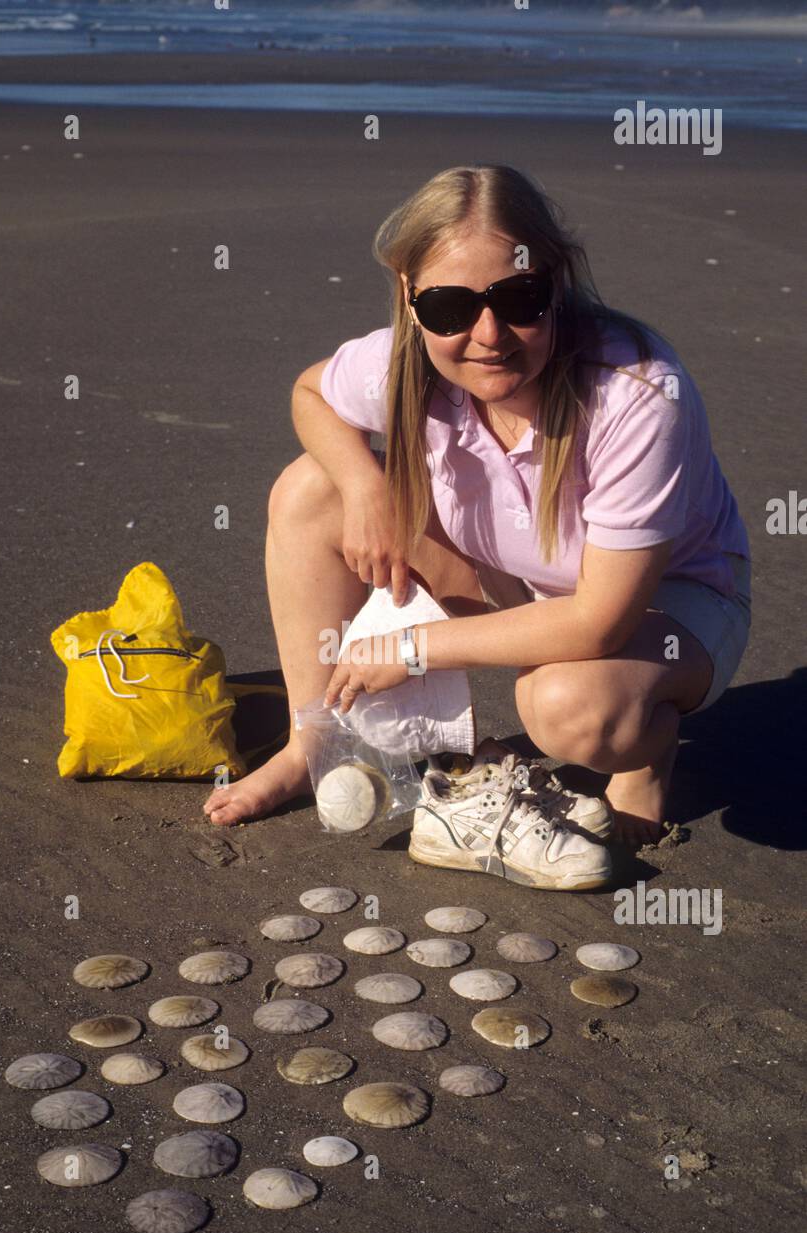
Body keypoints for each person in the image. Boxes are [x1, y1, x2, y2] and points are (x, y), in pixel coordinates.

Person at [204, 163, 750, 857]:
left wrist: (409, 650)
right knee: (312, 489)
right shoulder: (405, 363)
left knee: (569, 710)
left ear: (557, 282)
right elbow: (309, 396)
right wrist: (366, 487)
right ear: (410, 298)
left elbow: (599, 618)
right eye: (450, 308)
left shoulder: (636, 393)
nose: (487, 333)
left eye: (518, 297)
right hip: (511, 573)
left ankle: (644, 750)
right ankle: (315, 740)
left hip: (664, 605)